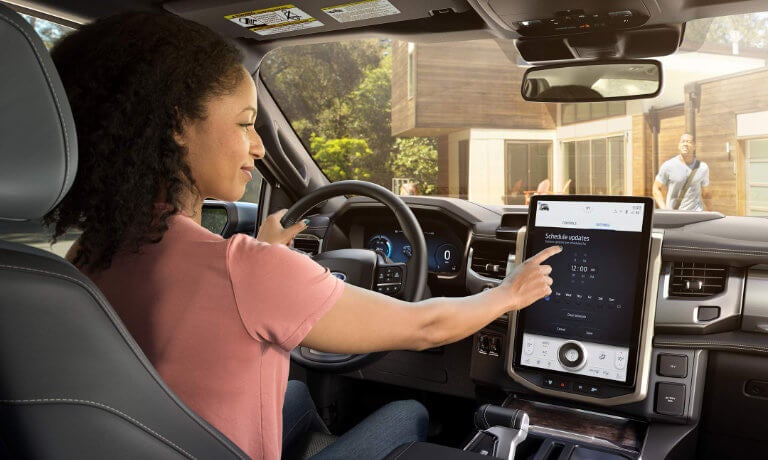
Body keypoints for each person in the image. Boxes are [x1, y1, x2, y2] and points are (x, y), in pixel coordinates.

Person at [45, 12, 560, 460]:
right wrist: (509, 293)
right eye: (246, 124)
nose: (259, 147)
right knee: (408, 411)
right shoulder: (249, 270)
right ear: (178, 125)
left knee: (295, 395)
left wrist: (265, 258)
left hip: (156, 443)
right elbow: (426, 327)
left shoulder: (86, 254)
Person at [652, 133, 712, 211]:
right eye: (682, 141)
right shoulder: (669, 165)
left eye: (688, 142)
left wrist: (710, 212)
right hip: (675, 214)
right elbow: (656, 188)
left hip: (696, 213)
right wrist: (664, 209)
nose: (685, 144)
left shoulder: (702, 167)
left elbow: (706, 194)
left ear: (694, 146)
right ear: (679, 145)